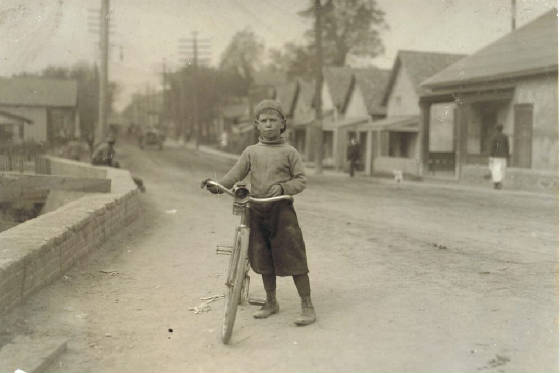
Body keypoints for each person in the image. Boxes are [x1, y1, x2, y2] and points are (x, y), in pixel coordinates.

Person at [202, 99, 316, 326]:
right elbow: (235, 174)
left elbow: (301, 180)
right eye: (264, 121)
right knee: (261, 255)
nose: (269, 125)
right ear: (257, 124)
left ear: (282, 124)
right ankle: (271, 301)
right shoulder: (251, 152)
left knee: (293, 254)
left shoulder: (289, 152)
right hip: (256, 208)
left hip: (281, 209)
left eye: (273, 120)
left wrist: (284, 187)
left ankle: (307, 305)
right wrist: (218, 185)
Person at [488, 124, 509, 190]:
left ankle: (496, 184)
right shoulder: (505, 136)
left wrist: (491, 155)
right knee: (502, 170)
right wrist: (507, 155)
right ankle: (500, 183)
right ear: (502, 129)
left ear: (496, 129)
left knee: (496, 170)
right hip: (503, 156)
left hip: (495, 156)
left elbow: (492, 147)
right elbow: (507, 147)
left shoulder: (494, 136)